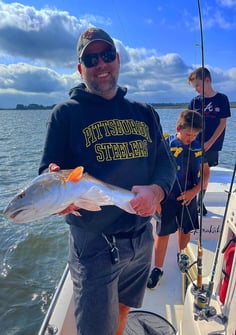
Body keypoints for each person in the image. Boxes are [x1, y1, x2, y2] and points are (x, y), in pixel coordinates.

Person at [38, 27, 176, 335]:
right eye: (91, 59)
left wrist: (156, 191)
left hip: (142, 238)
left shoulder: (145, 112)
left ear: (118, 59)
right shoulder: (65, 114)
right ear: (80, 69)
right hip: (94, 245)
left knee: (124, 309)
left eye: (107, 55)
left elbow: (165, 164)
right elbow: (48, 171)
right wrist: (55, 191)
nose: (101, 64)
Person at [147, 109, 210, 289]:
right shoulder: (165, 145)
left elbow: (205, 174)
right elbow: (152, 173)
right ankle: (158, 268)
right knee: (163, 232)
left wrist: (194, 192)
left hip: (189, 198)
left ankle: (181, 254)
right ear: (178, 128)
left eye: (195, 134)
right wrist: (157, 200)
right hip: (167, 198)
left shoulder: (199, 146)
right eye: (188, 134)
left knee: (186, 228)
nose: (191, 138)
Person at [188, 67, 231, 215]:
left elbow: (222, 123)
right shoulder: (195, 102)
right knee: (195, 171)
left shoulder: (222, 99)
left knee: (206, 171)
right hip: (195, 143)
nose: (196, 90)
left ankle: (201, 202)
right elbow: (188, 122)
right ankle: (193, 200)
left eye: (198, 85)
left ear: (207, 80)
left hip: (212, 144)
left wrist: (210, 142)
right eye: (195, 87)